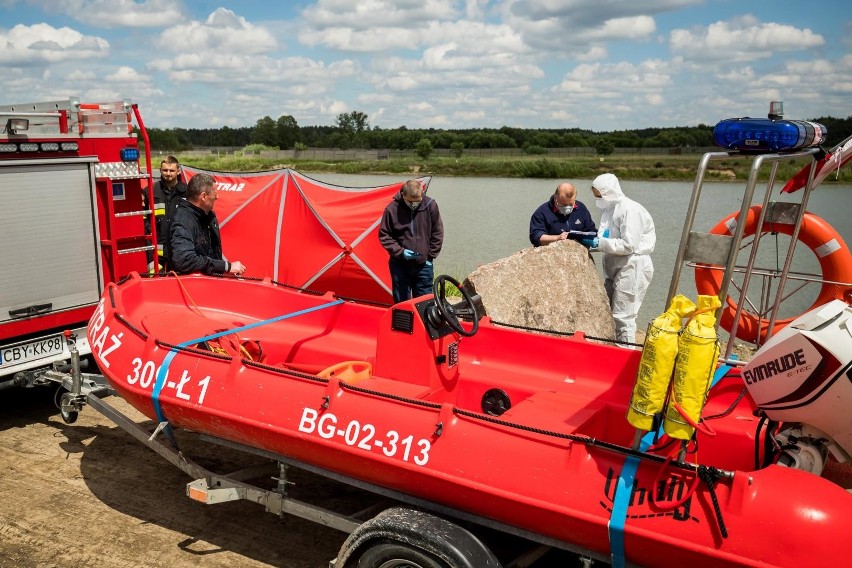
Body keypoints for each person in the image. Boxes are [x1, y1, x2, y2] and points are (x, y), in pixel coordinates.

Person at [588, 173, 656, 344]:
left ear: (608, 192)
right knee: (609, 312)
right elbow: (605, 236)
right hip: (616, 267)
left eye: (599, 195)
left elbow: (629, 245)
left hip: (633, 265)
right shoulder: (609, 211)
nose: (597, 199)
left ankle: (624, 354)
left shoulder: (630, 210)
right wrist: (591, 243)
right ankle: (612, 351)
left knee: (623, 317)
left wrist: (600, 243)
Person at [379, 179, 444, 302]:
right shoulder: (392, 209)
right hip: (399, 265)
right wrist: (400, 252)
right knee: (401, 303)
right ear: (403, 195)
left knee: (424, 303)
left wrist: (430, 256)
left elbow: (438, 232)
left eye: (417, 201)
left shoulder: (430, 205)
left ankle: (422, 322)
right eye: (410, 201)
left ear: (422, 193)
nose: (414, 204)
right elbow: (385, 235)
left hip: (423, 265)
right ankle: (403, 321)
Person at [170, 172, 246, 276]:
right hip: (193, 287)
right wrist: (225, 266)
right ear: (203, 196)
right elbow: (184, 260)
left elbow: (213, 254)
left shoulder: (208, 215)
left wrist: (224, 270)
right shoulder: (183, 221)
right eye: (215, 194)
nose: (217, 197)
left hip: (211, 282)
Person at [147, 156, 187, 272]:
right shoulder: (150, 190)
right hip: (156, 247)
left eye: (172, 170)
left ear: (178, 171)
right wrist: (148, 228)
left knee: (177, 279)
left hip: (178, 247)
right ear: (160, 170)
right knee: (154, 277)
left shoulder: (187, 192)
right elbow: (143, 215)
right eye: (165, 170)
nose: (168, 174)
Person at [529, 182, 597, 247]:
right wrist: (557, 238)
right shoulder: (541, 213)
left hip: (577, 252)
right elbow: (535, 237)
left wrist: (591, 240)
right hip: (551, 252)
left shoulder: (581, 208)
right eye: (564, 204)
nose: (567, 207)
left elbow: (591, 229)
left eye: (571, 204)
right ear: (556, 198)